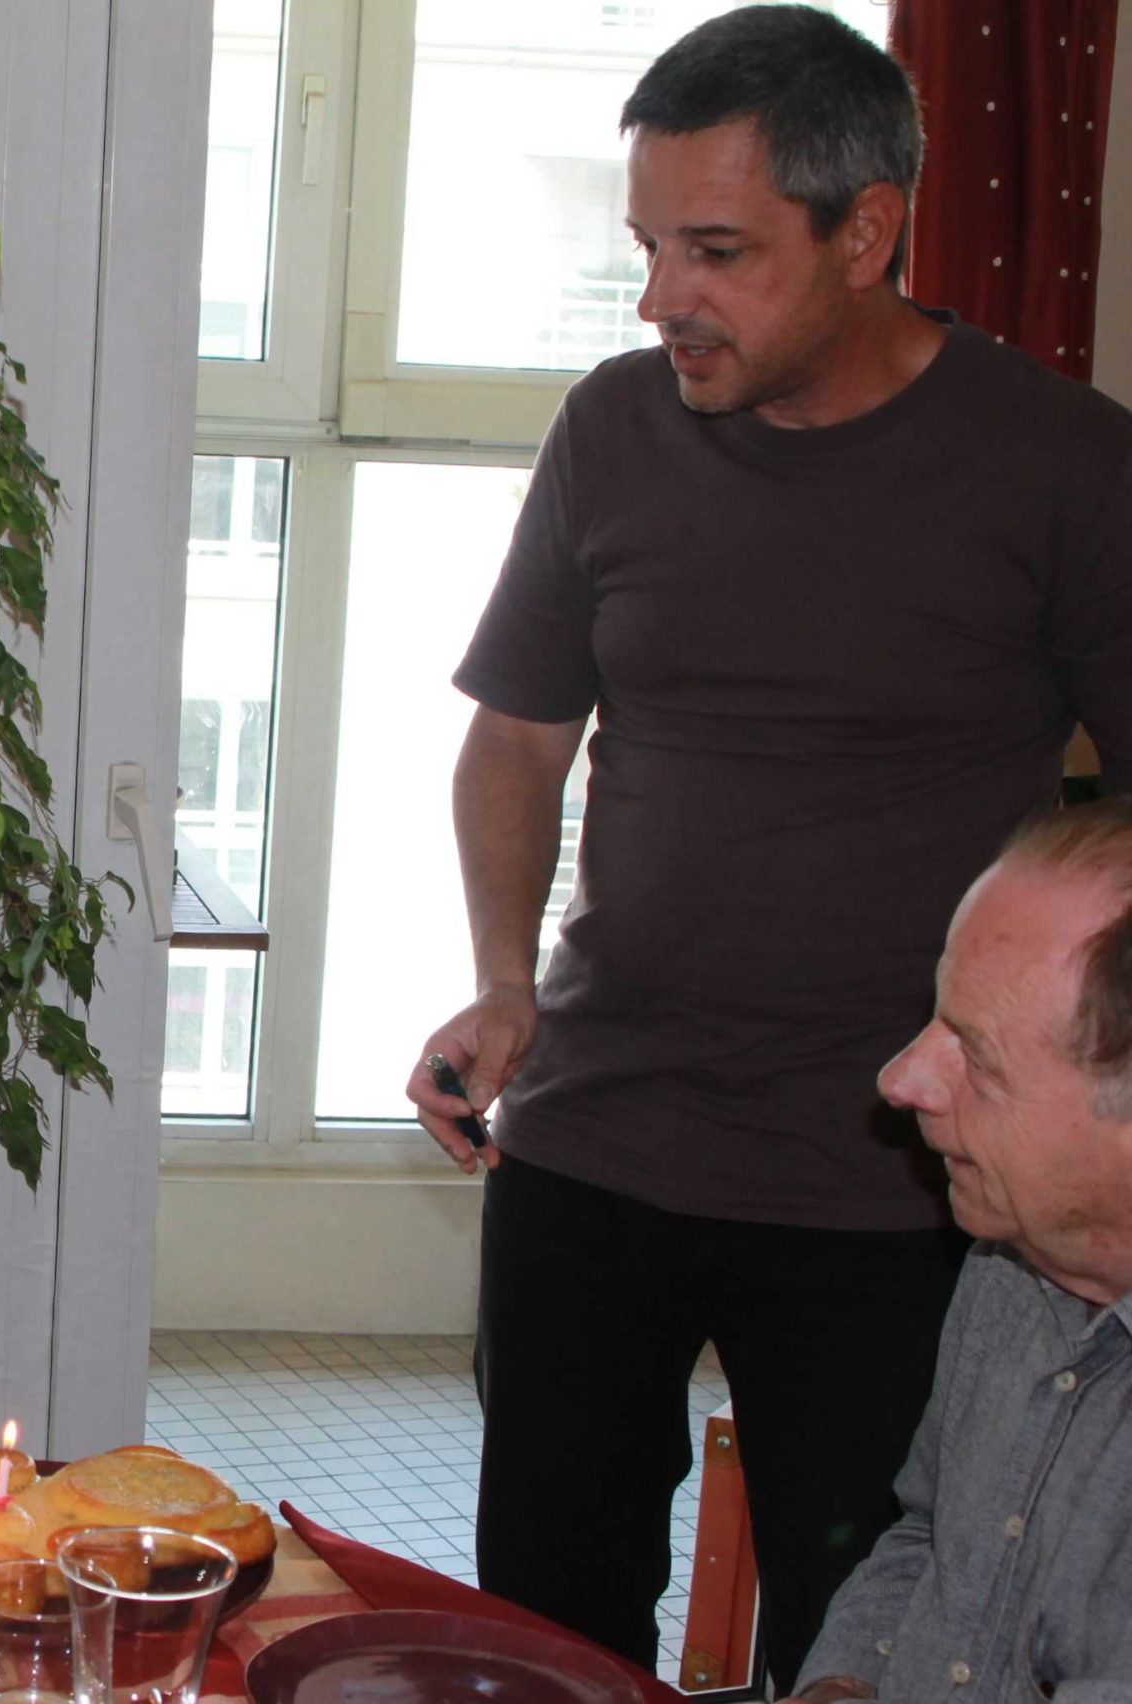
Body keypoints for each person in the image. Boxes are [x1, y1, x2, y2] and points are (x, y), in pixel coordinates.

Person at [403, 5, 1132, 1685]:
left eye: (716, 251)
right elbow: (518, 735)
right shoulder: (612, 428)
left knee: (863, 1623)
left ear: (867, 232)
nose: (662, 295)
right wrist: (504, 981)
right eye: (650, 245)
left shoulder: (1066, 468)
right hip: (599, 1136)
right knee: (542, 1625)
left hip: (897, 1178)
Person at [791, 803, 1132, 1702]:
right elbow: (937, 1539)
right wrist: (843, 1682)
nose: (900, 1079)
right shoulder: (1012, 1260)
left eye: (976, 1055)